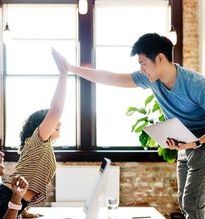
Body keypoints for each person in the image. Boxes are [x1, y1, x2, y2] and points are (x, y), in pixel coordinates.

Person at [52, 33, 205, 219]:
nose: (141, 69)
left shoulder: (196, 85)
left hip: (201, 144)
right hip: (186, 143)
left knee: (192, 203)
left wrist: (196, 143)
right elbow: (112, 78)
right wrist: (72, 68)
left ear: (160, 58)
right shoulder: (152, 80)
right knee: (184, 201)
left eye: (143, 63)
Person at [0, 48, 68, 218]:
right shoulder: (38, 139)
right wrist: (63, 75)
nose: (59, 122)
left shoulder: (41, 146)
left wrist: (23, 210)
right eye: (53, 120)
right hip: (4, 198)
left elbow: (26, 174)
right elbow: (56, 109)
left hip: (15, 201)